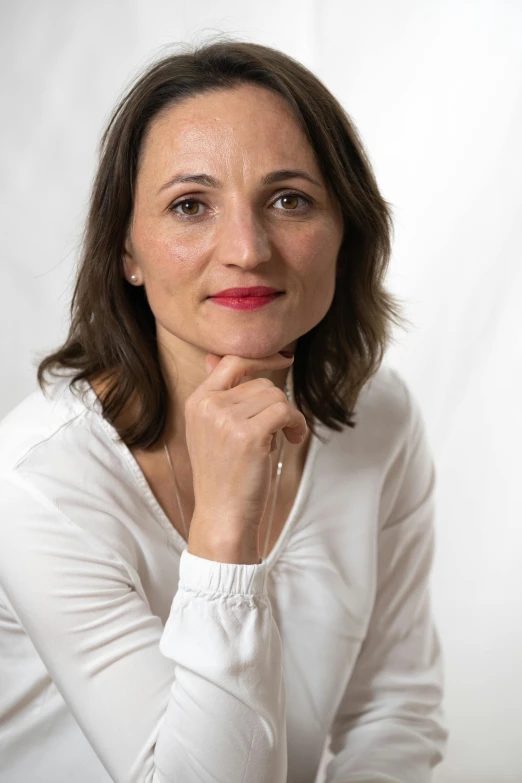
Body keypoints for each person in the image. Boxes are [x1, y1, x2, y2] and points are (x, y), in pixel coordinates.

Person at [0, 37, 448, 783]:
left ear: (347, 230)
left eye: (288, 199)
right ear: (127, 253)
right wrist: (222, 538)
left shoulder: (383, 419)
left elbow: (393, 711)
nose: (246, 247)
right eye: (189, 205)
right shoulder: (36, 482)